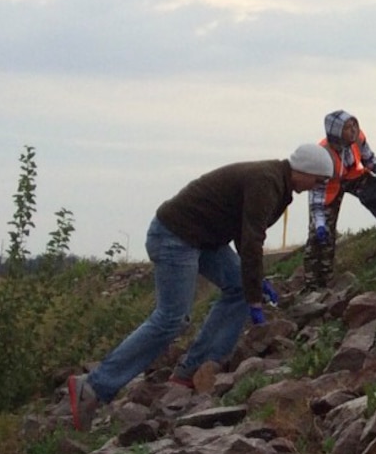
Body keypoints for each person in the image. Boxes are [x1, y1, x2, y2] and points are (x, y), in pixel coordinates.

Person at [66, 147, 331, 425]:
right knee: (172, 318)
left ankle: (193, 370)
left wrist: (254, 279)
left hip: (204, 240)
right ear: (304, 170)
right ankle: (94, 386)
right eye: (319, 179)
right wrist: (255, 299)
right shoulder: (267, 181)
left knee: (239, 288)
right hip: (174, 236)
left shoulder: (276, 181)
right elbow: (252, 240)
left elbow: (246, 235)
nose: (318, 186)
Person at [303, 109, 376, 287]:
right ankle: (315, 284)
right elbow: (317, 197)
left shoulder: (358, 138)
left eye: (354, 125)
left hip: (353, 177)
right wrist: (320, 223)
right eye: (347, 127)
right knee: (320, 237)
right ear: (336, 131)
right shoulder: (322, 156)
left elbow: (368, 158)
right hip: (328, 191)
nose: (353, 130)